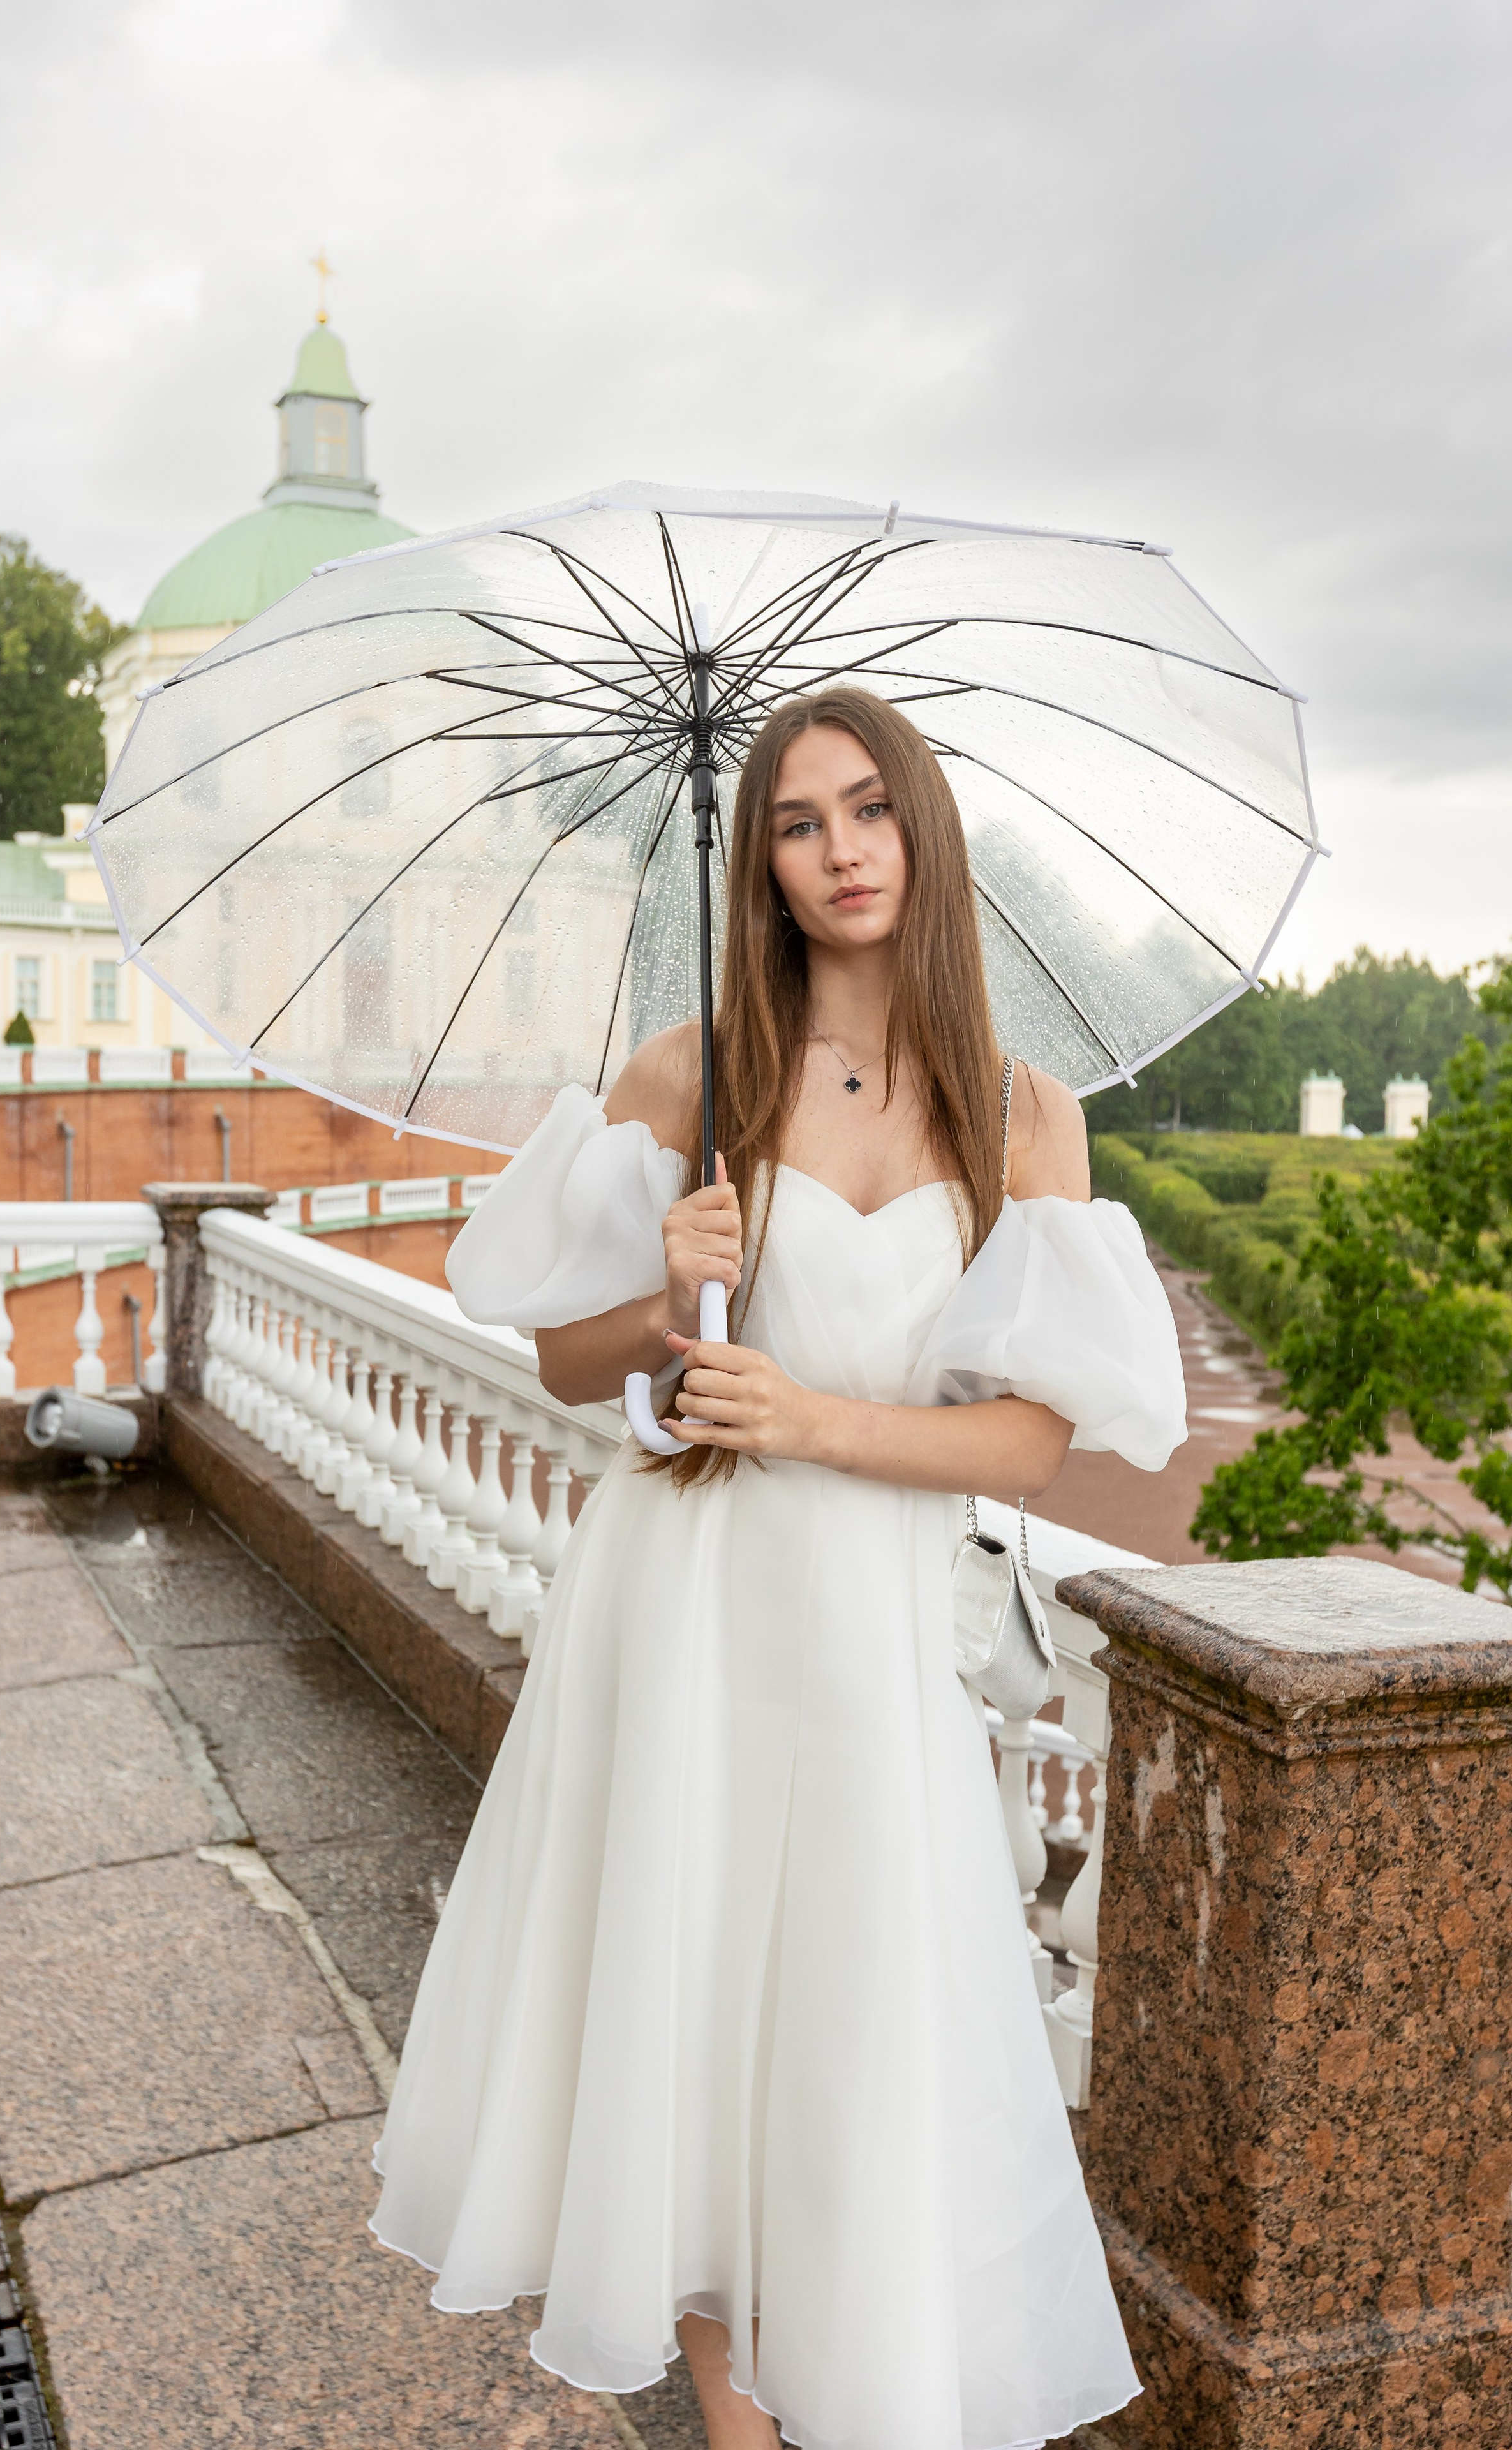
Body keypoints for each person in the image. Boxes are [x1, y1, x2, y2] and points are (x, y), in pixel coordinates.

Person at [371, 687, 1185, 2450]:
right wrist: (663, 1300)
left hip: (871, 1636)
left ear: (923, 830)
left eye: (868, 809)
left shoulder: (1021, 1116)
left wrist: (810, 1419)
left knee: (847, 2053)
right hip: (690, 1619)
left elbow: (1035, 1445)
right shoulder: (696, 1073)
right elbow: (567, 1367)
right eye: (800, 823)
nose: (839, 850)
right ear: (765, 863)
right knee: (697, 2026)